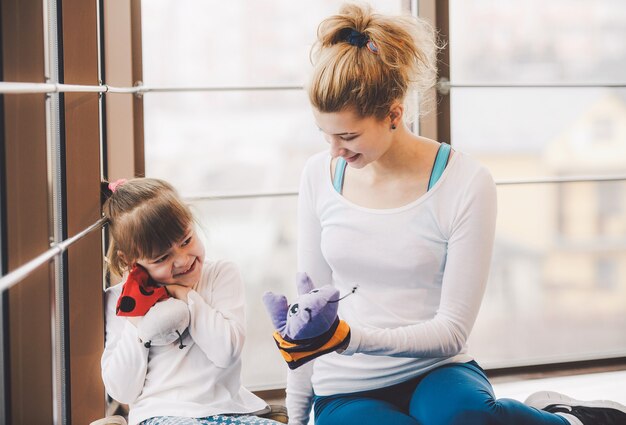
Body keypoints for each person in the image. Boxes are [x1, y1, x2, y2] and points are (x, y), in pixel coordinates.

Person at [286, 3, 626, 425]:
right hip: (348, 386)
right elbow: (309, 314)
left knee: (463, 417)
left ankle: (572, 419)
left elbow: (451, 332)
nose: (334, 150)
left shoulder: (466, 182)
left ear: (394, 112)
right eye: (325, 134)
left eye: (348, 135)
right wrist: (296, 415)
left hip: (437, 369)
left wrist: (350, 338)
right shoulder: (319, 174)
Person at [101, 178, 282, 425]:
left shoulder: (220, 274)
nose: (183, 260)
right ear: (131, 261)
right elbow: (122, 390)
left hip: (229, 412)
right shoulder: (120, 301)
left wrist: (185, 295)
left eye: (186, 241)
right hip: (160, 415)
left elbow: (225, 352)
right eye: (162, 257)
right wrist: (137, 324)